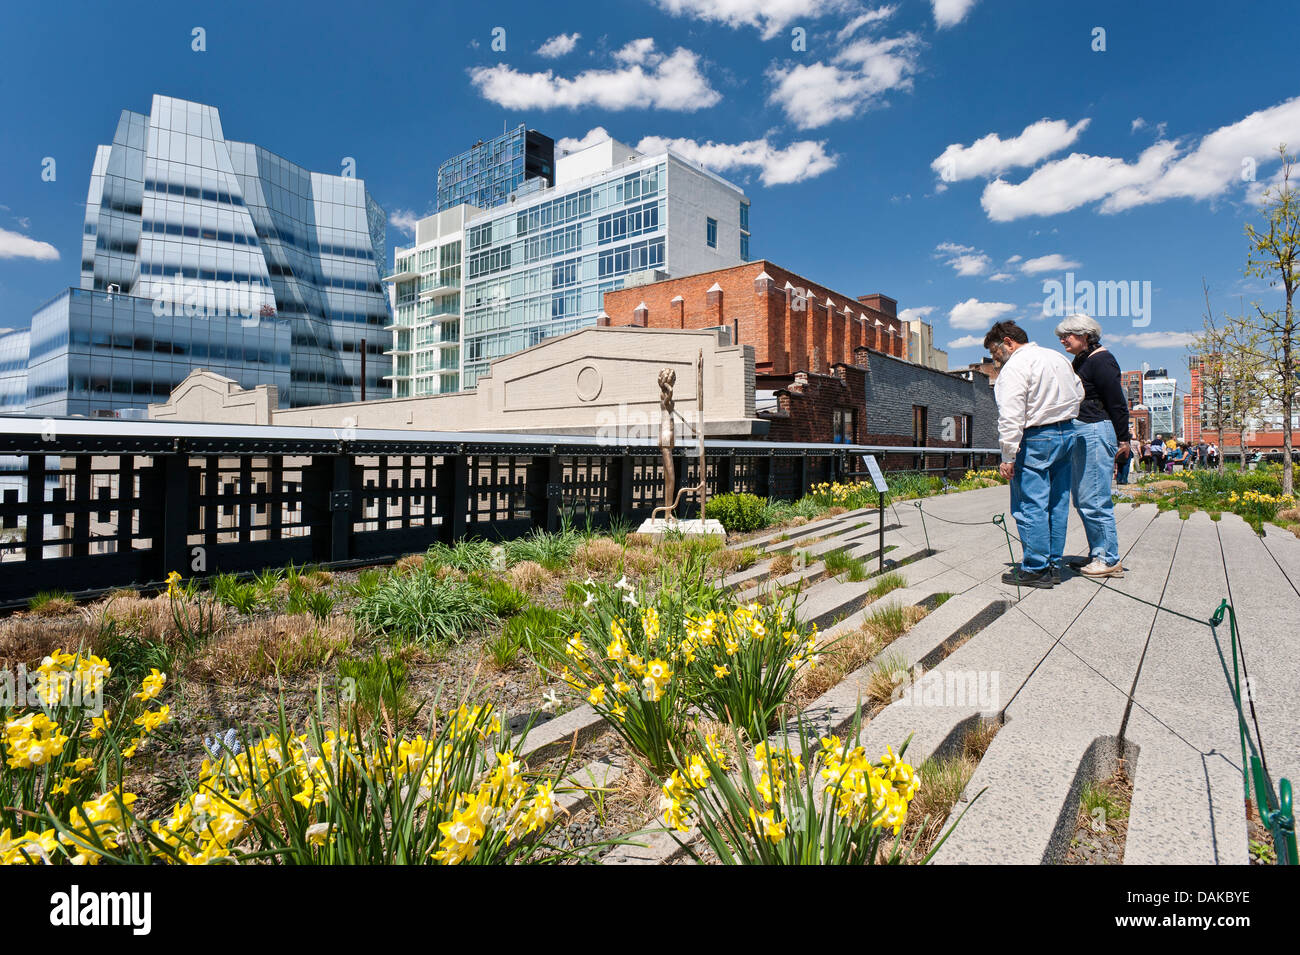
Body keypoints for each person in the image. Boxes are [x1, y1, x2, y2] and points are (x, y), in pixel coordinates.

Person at [985, 320, 1084, 588]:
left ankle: (1035, 568)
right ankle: (1052, 564)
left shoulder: (1015, 366)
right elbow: (1079, 393)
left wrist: (1007, 456)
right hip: (1066, 432)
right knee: (1057, 502)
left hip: (1037, 437)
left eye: (996, 354)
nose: (997, 361)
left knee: (1030, 503)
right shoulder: (1058, 358)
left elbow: (1011, 415)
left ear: (1008, 342)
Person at [1056, 315, 1126, 578]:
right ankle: (1098, 553)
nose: (1063, 340)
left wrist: (1123, 439)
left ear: (1086, 335)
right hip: (1084, 430)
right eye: (1061, 336)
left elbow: (1117, 402)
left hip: (1096, 429)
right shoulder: (1083, 359)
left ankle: (1109, 559)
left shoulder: (1101, 359)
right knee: (1083, 498)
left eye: (1068, 335)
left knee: (1094, 499)